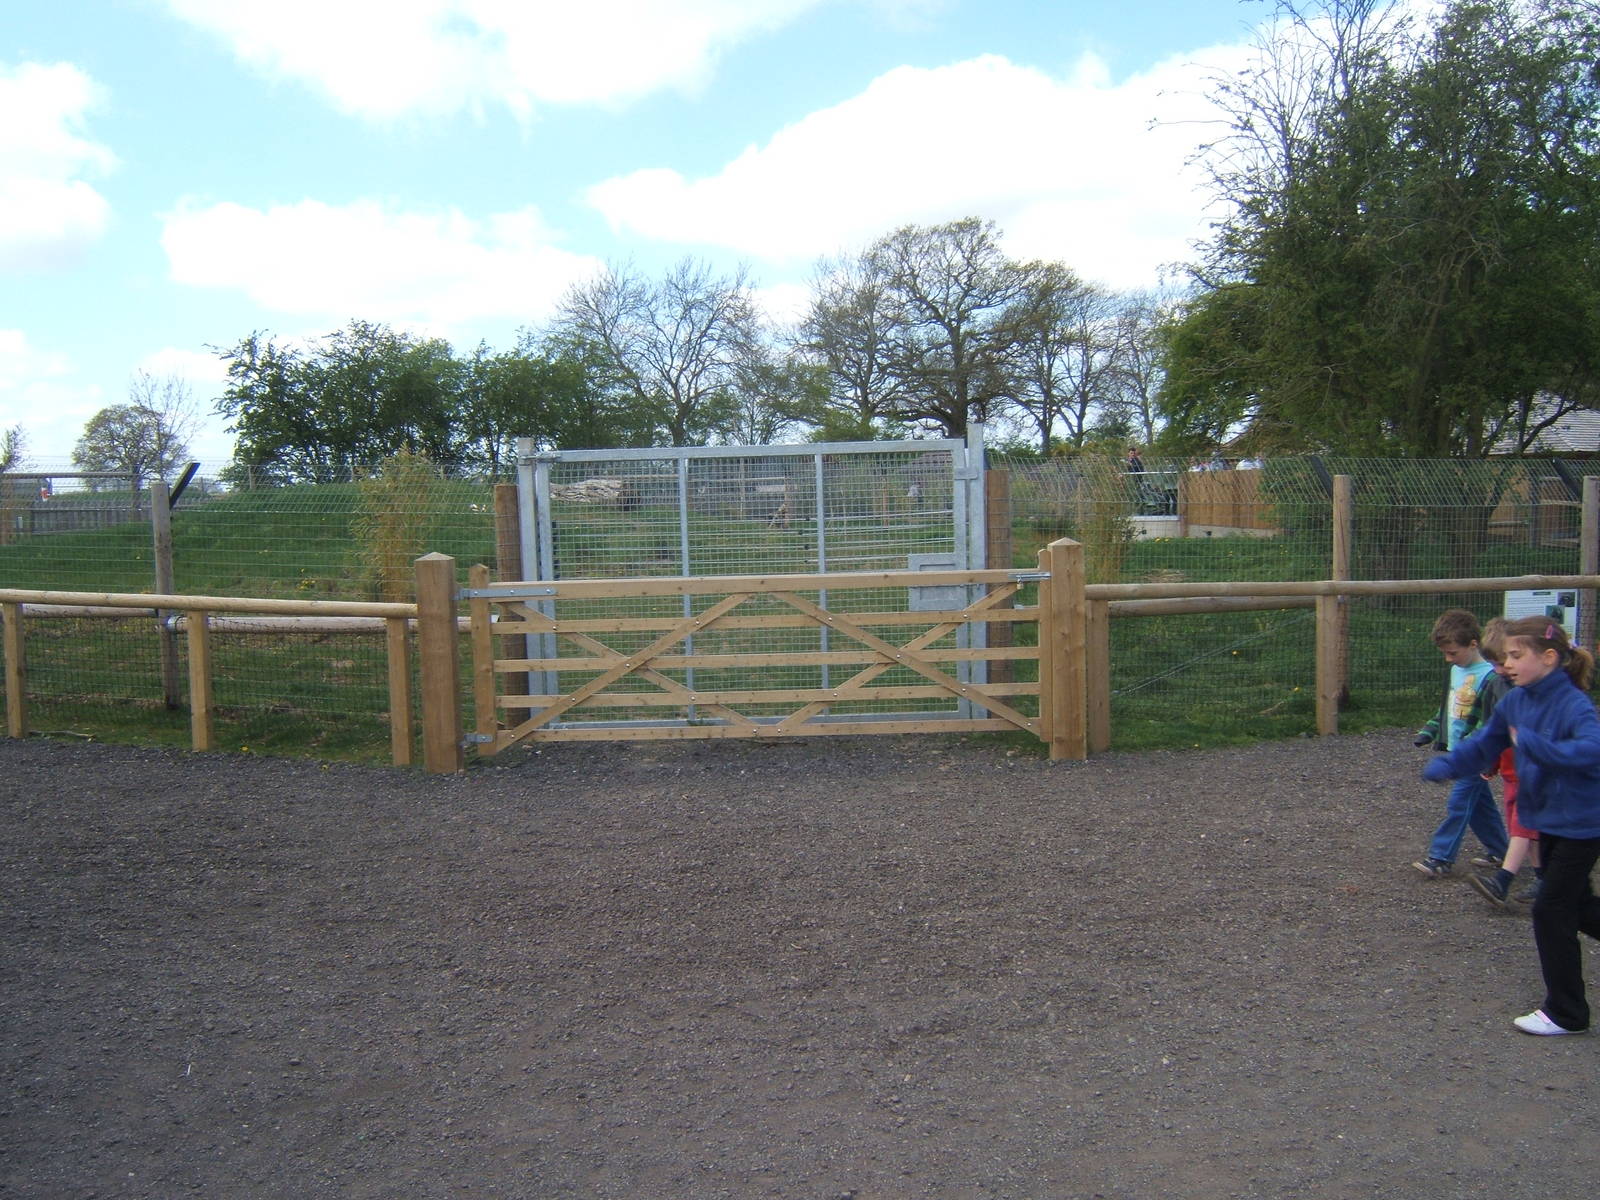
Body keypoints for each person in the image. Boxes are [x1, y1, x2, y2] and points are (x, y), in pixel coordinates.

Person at [1422, 617, 1600, 1034]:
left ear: (1550, 658)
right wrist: (1450, 763)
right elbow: (1487, 743)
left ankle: (1566, 1013)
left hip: (1585, 821)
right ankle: (1566, 1010)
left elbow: (1591, 750)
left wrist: (1536, 746)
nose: (1507, 665)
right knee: (1579, 907)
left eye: (1517, 656)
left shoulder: (1573, 704)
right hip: (1550, 820)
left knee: (1550, 909)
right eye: (1505, 657)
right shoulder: (1516, 702)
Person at [1411, 609, 1509, 878]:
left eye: (1453, 652)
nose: (1448, 658)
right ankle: (1502, 851)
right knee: (1479, 806)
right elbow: (1448, 708)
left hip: (1476, 753)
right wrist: (1430, 731)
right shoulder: (1456, 670)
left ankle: (1441, 858)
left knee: (1459, 804)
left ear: (1473, 644)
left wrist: (1474, 747)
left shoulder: (1492, 676)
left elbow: (1490, 719)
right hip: (1458, 750)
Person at [1468, 618, 1540, 907]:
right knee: (1520, 826)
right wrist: (1491, 762)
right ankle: (1541, 875)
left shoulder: (1536, 688)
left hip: (1533, 771)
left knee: (1523, 825)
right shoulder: (1497, 684)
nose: (1501, 669)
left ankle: (1503, 881)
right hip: (1512, 771)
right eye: (1497, 663)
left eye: (1507, 661)